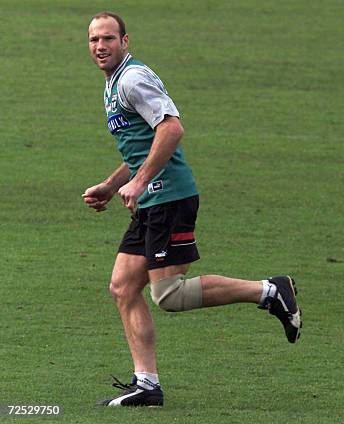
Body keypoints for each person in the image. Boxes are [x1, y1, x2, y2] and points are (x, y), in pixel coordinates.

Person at [83, 11, 302, 407]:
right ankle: (146, 385)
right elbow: (143, 142)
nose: (101, 46)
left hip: (170, 198)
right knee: (123, 286)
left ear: (125, 41)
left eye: (109, 39)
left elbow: (171, 128)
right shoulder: (113, 83)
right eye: (94, 40)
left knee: (168, 295)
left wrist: (140, 180)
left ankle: (270, 291)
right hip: (152, 198)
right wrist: (114, 183)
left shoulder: (132, 79)